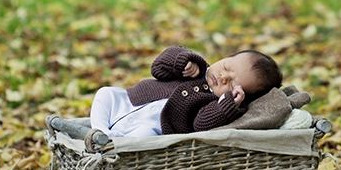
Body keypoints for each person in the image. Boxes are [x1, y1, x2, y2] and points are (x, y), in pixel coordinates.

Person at [88, 45, 283, 143]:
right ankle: (100, 132)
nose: (223, 77)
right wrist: (181, 61)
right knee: (106, 93)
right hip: (129, 101)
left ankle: (110, 143)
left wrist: (226, 107)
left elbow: (200, 125)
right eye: (226, 67)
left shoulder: (214, 104)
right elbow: (158, 68)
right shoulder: (194, 67)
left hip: (153, 126)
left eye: (232, 83)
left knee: (143, 139)